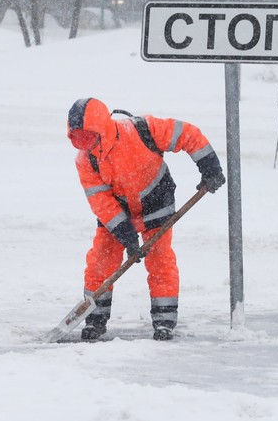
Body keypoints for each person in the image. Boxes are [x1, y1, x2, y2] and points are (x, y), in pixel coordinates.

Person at [66, 98, 225, 341]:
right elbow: (101, 202)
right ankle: (95, 319)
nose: (83, 145)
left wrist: (209, 166)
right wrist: (126, 234)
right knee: (101, 261)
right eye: (76, 139)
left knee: (160, 260)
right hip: (118, 211)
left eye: (86, 137)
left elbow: (186, 134)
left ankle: (164, 320)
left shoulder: (142, 130)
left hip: (156, 200)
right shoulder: (86, 160)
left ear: (101, 127)